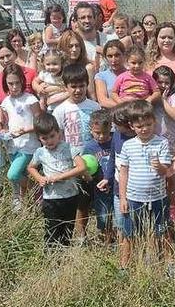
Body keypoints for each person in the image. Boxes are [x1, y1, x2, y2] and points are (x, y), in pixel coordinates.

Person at [52, 63, 102, 240]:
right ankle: (65, 234)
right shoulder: (60, 110)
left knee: (85, 201)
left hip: (92, 162)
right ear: (66, 87)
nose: (78, 90)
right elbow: (56, 138)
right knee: (70, 200)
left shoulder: (94, 107)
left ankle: (82, 235)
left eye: (81, 85)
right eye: (73, 86)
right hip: (70, 163)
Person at [118, 102, 172, 253]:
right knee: (129, 234)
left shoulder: (162, 142)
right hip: (134, 198)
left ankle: (169, 264)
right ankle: (124, 266)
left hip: (157, 198)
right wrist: (123, 198)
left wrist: (160, 167)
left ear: (154, 121)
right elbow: (123, 173)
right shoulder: (128, 145)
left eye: (148, 124)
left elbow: (165, 171)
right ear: (132, 126)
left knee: (162, 232)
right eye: (140, 126)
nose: (145, 129)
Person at [27, 113, 87, 247]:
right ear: (39, 138)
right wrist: (40, 178)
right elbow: (31, 167)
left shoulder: (69, 148)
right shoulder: (40, 152)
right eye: (44, 138)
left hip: (70, 196)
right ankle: (51, 258)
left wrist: (61, 177)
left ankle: (64, 257)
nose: (49, 141)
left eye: (52, 136)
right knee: (51, 229)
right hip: (51, 198)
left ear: (59, 133)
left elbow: (82, 167)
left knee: (67, 229)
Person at [1, 64, 43, 203]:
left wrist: (24, 130)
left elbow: (39, 122)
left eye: (17, 83)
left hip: (28, 144)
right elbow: (7, 123)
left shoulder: (30, 99)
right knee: (21, 175)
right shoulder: (6, 101)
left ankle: (37, 190)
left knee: (13, 175)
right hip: (13, 145)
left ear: (22, 81)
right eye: (10, 84)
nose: (14, 87)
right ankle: (27, 206)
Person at [105, 102, 137, 267]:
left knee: (135, 223)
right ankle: (123, 254)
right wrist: (107, 177)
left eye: (116, 125)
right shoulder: (116, 136)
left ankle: (137, 251)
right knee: (120, 222)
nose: (113, 127)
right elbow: (112, 157)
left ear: (128, 125)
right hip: (118, 188)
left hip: (136, 189)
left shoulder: (137, 140)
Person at [83, 110, 114, 244]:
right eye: (97, 133)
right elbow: (89, 170)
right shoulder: (89, 147)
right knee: (103, 216)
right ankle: (106, 243)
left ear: (111, 127)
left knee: (119, 216)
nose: (101, 136)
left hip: (117, 185)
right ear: (91, 129)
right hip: (100, 188)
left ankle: (118, 241)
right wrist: (96, 181)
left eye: (105, 132)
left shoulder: (115, 142)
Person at [0, 42, 37, 120]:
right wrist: (0, 122)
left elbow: (41, 98)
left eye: (8, 55)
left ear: (15, 54)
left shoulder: (30, 73)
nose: (6, 60)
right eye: (1, 58)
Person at [151, 65, 175, 155]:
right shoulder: (151, 97)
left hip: (172, 143)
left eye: (167, 83)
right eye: (160, 82)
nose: (163, 86)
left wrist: (163, 100)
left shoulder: (174, 96)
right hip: (155, 143)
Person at [58, 30, 96, 99]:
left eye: (77, 46)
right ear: (63, 47)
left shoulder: (88, 67)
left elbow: (91, 95)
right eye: (70, 46)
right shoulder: (57, 66)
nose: (74, 49)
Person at [94, 40, 126, 109]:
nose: (113, 60)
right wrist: (125, 108)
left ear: (124, 55)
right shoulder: (101, 76)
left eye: (117, 55)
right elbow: (103, 101)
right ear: (105, 58)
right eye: (110, 56)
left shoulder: (132, 73)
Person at [73, 2, 104, 72]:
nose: (87, 21)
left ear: (95, 18)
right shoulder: (70, 43)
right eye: (83, 18)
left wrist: (105, 52)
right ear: (75, 21)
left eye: (89, 17)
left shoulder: (108, 40)